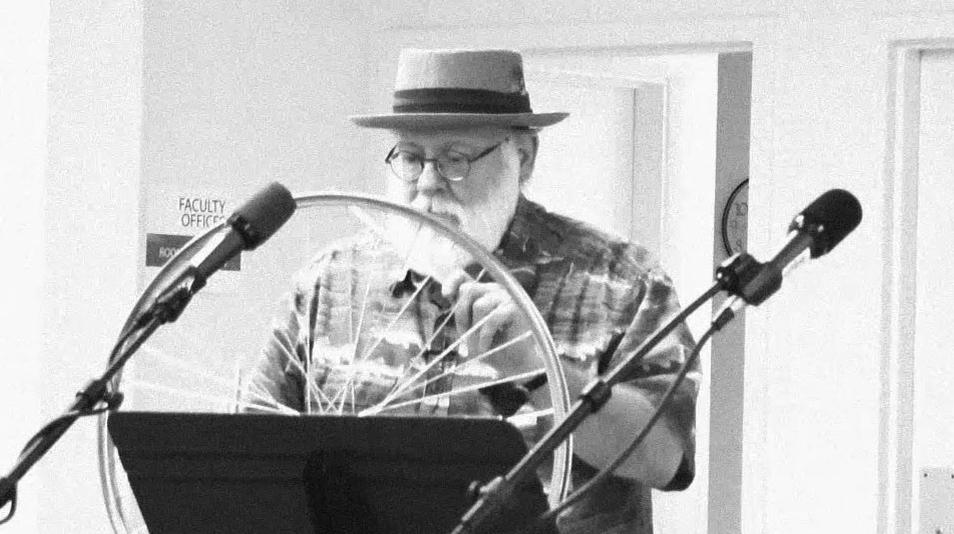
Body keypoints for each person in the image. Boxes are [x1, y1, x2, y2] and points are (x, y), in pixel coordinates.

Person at [246, 48, 699, 534]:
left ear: (522, 157)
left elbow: (663, 458)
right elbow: (248, 451)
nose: (427, 183)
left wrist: (536, 369)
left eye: (455, 159)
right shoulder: (332, 280)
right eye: (411, 157)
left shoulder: (622, 282)